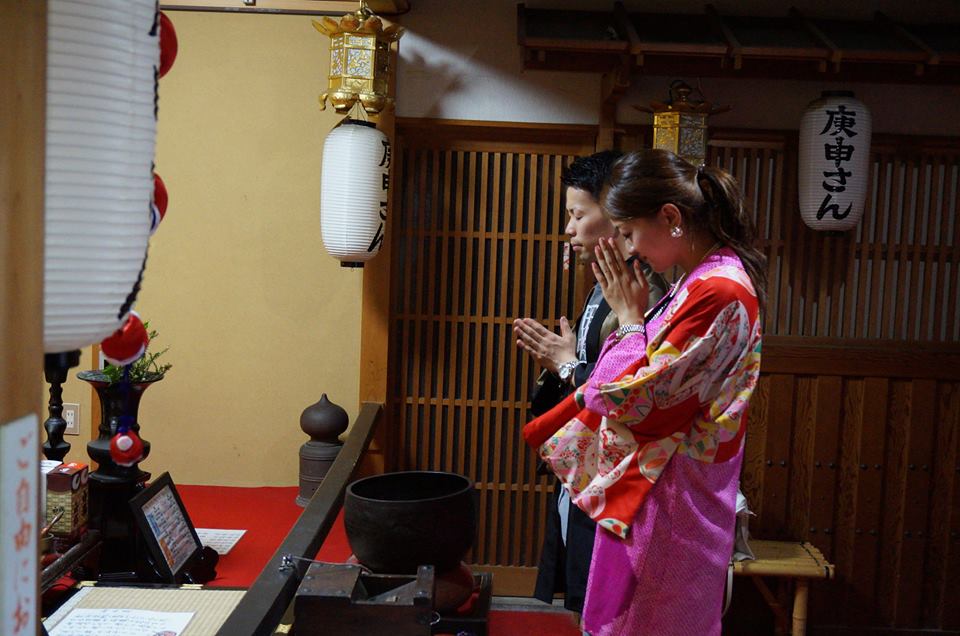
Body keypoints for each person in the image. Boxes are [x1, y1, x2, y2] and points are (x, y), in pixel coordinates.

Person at [523, 149, 766, 636]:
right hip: (665, 483)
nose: (629, 247)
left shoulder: (717, 290)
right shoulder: (701, 281)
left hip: (672, 495)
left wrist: (631, 320)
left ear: (671, 218)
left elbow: (623, 398)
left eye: (630, 231)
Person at [512, 151, 666, 615]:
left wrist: (566, 365)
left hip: (617, 479)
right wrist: (564, 359)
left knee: (609, 608)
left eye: (578, 215)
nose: (569, 229)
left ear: (615, 213)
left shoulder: (642, 292)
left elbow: (632, 393)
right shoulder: (604, 286)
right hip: (589, 470)